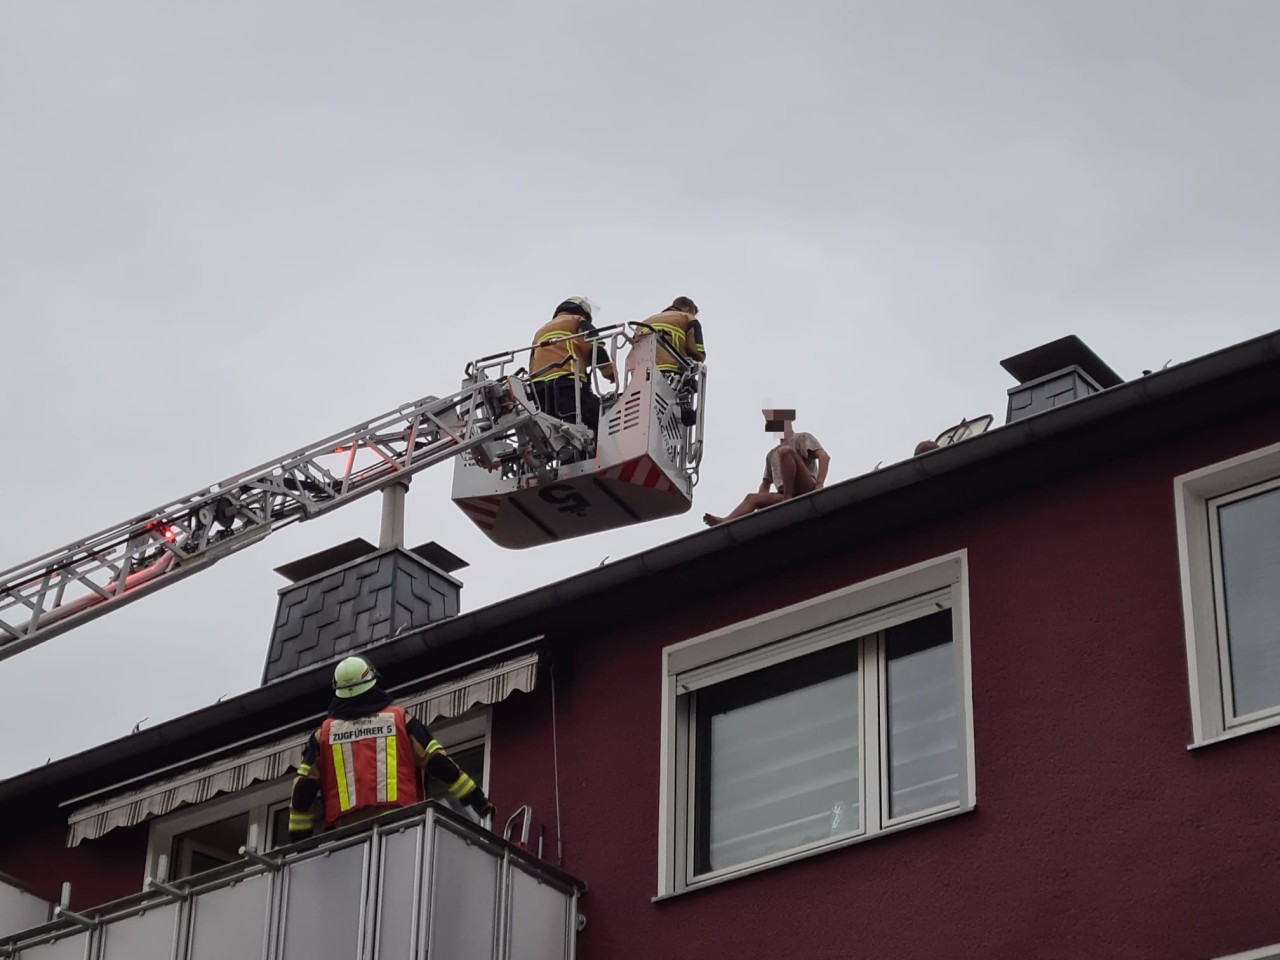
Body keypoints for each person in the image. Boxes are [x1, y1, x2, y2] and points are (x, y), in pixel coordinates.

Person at [288, 656, 494, 840]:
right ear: (372, 681)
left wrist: (299, 847)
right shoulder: (399, 720)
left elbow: (302, 792)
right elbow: (440, 764)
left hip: (345, 838)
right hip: (400, 829)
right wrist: (478, 801)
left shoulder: (323, 735)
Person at [703, 410, 830, 527]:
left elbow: (824, 457)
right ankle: (725, 522)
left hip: (805, 488)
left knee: (786, 452)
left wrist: (819, 485)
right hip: (783, 493)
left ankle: (788, 498)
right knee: (751, 498)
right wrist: (762, 503)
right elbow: (765, 484)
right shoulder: (771, 455)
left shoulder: (802, 438)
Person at [529, 296, 615, 434]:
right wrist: (610, 373)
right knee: (602, 419)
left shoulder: (540, 332)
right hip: (568, 386)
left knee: (556, 435)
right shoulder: (577, 321)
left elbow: (532, 364)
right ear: (582, 312)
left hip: (539, 392)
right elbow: (595, 349)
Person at [636, 297, 705, 382]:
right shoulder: (688, 318)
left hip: (642, 372)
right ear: (687, 309)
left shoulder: (644, 323)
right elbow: (696, 352)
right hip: (670, 370)